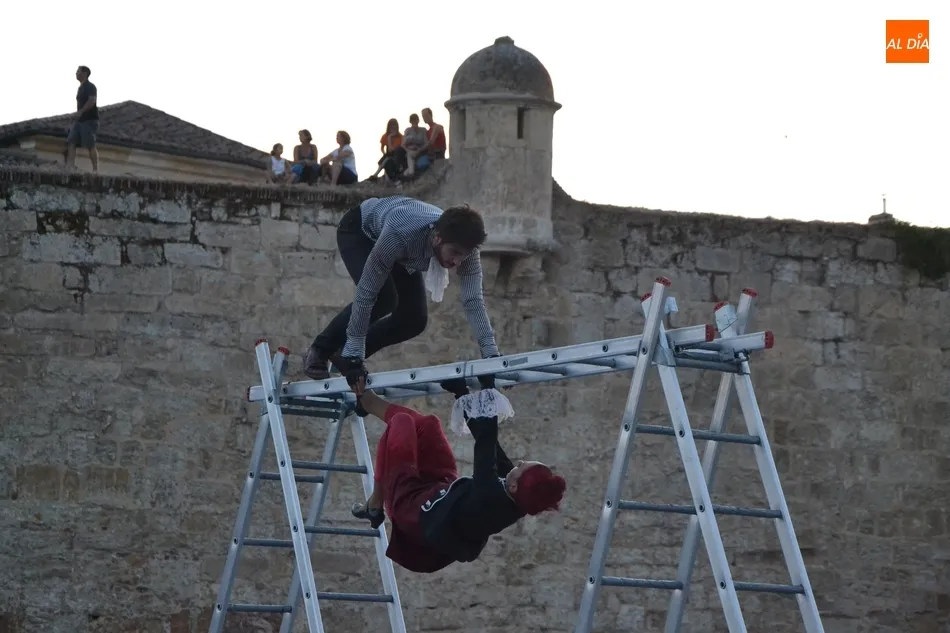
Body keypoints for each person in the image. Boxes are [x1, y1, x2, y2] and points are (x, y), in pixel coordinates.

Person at [349, 376, 567, 573]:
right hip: (440, 491)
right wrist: (460, 393)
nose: (519, 462)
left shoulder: (489, 497)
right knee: (428, 425)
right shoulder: (516, 496)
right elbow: (492, 449)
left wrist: (488, 388)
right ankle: (366, 403)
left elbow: (486, 442)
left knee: (402, 422)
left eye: (521, 467)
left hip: (410, 507)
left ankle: (376, 503)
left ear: (514, 487)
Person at [303, 195, 500, 381]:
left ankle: (343, 353)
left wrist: (490, 353)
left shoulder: (468, 252)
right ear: (437, 238)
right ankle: (320, 350)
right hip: (361, 231)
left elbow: (473, 300)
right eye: (454, 253)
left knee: (415, 319)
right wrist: (355, 350)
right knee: (384, 298)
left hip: (405, 253)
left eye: (463, 256)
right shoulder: (402, 234)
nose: (456, 262)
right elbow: (366, 292)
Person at [65, 65, 99, 172]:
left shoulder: (90, 86)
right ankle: (70, 166)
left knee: (90, 144)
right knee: (71, 141)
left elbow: (92, 101)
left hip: (89, 120)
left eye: (78, 71)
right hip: (80, 120)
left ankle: (95, 169)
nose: (76, 73)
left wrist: (81, 112)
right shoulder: (80, 88)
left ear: (84, 74)